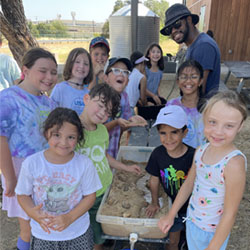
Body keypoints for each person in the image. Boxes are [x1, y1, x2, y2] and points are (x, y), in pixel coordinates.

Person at [158, 90, 248, 250]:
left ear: (240, 126)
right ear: (204, 119)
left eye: (229, 126)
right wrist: (171, 215)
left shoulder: (234, 163)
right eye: (212, 122)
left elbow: (230, 213)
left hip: (213, 233)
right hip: (192, 222)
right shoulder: (201, 150)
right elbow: (188, 184)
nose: (218, 131)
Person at [15, 107, 102, 250]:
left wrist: (70, 217)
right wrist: (32, 212)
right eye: (57, 135)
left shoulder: (85, 164)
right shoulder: (32, 163)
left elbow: (90, 197)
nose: (63, 142)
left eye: (71, 137)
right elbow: (23, 194)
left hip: (77, 233)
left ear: (78, 138)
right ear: (46, 133)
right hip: (43, 234)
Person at [0, 47, 58, 250]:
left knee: (42, 223)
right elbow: (1, 140)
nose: (49, 77)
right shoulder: (8, 98)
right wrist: (10, 178)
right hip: (20, 171)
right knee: (28, 228)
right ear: (25, 69)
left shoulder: (48, 103)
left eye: (53, 72)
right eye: (43, 70)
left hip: (43, 172)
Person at [77, 83, 142, 250]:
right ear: (86, 99)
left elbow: (104, 156)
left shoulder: (102, 131)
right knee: (80, 233)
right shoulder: (72, 130)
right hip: (80, 195)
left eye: (107, 112)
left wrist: (125, 167)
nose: (102, 113)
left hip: (101, 191)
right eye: (100, 105)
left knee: (98, 234)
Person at [145, 105, 195, 250]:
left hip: (192, 208)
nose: (168, 138)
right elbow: (154, 180)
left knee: (192, 238)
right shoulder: (157, 154)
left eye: (174, 132)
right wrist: (154, 203)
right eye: (163, 133)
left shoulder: (193, 156)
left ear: (185, 132)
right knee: (173, 242)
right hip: (171, 206)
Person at [160, 3, 221, 97]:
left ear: (189, 20)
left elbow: (196, 92)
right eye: (169, 29)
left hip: (201, 109)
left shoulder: (203, 46)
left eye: (177, 24)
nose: (173, 31)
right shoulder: (194, 45)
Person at [103, 57, 147, 158]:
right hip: (97, 152)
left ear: (127, 81)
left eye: (125, 72)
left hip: (113, 149)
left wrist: (132, 122)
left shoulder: (124, 97)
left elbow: (122, 127)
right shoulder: (100, 98)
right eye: (116, 70)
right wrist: (116, 122)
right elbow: (97, 130)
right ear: (106, 78)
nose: (121, 74)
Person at [166, 59, 206, 149]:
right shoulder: (172, 106)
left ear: (200, 81)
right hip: (179, 157)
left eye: (194, 77)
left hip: (203, 158)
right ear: (178, 82)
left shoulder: (209, 107)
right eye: (184, 77)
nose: (188, 81)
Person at [50, 48, 93, 115]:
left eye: (86, 64)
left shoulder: (89, 94)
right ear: (70, 64)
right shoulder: (60, 89)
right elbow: (50, 113)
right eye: (77, 62)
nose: (81, 66)